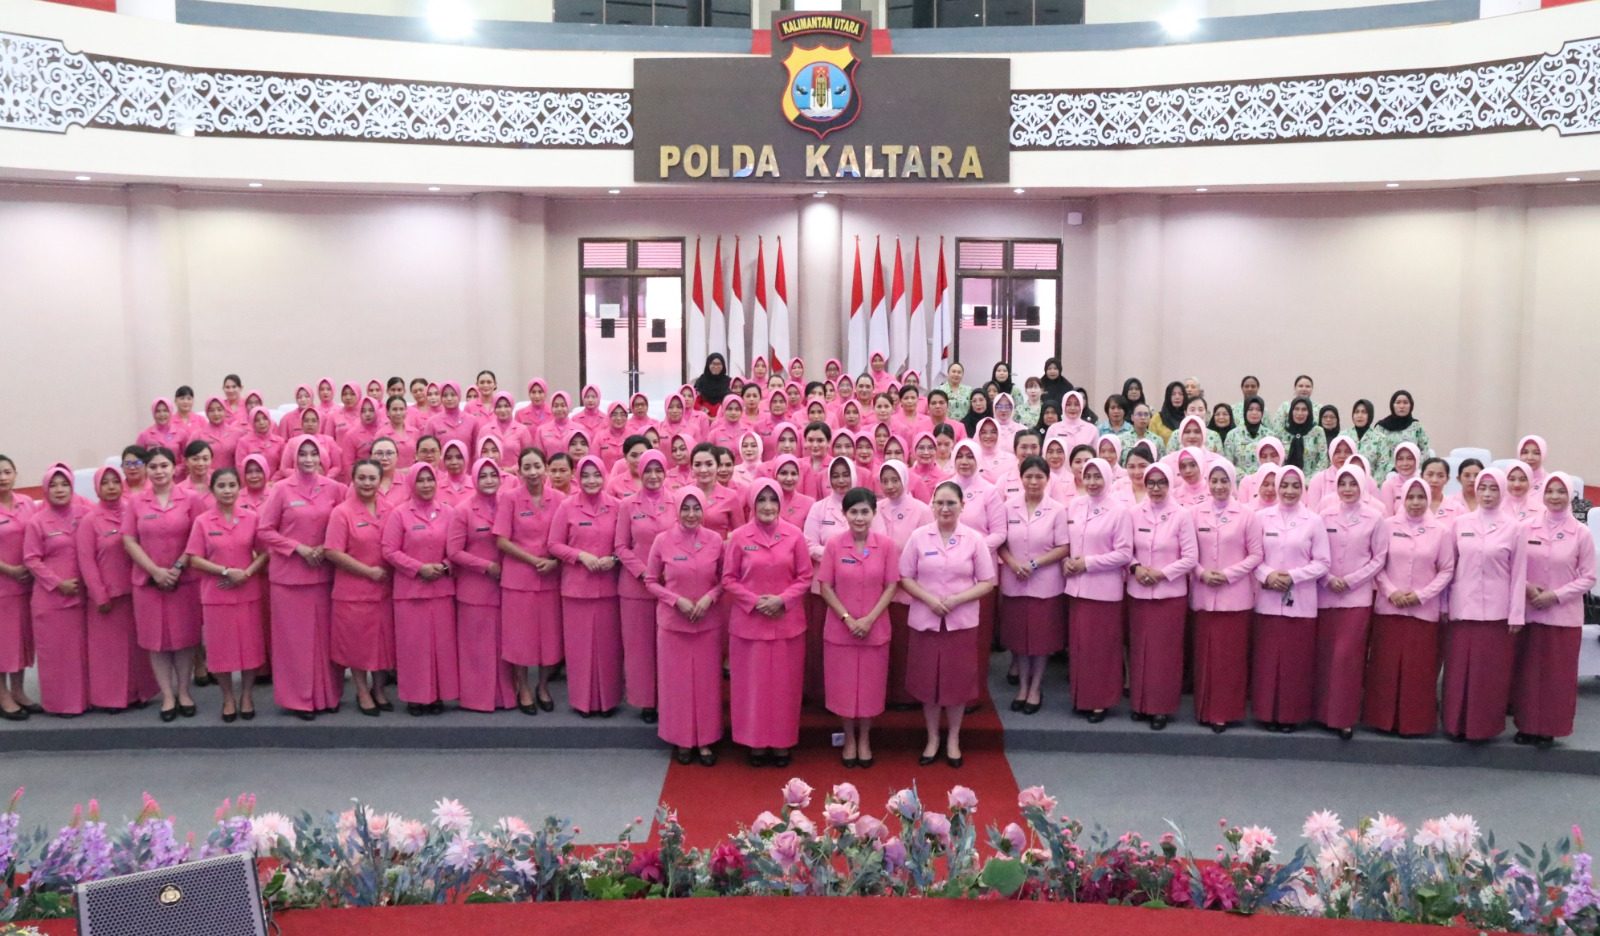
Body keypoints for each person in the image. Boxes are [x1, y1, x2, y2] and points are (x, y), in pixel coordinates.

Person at [898, 480, 998, 768]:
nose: (945, 508)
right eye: (939, 502)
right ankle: (932, 738)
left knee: (956, 684)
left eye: (951, 503)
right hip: (926, 620)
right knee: (928, 682)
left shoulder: (974, 539)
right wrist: (929, 599)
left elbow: (987, 582)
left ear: (962, 506)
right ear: (931, 505)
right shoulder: (919, 537)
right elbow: (905, 577)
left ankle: (953, 739)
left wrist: (956, 600)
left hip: (960, 622)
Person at [723, 480, 813, 767]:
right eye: (761, 500)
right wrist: (754, 601)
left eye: (772, 500)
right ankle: (755, 743)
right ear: (752, 504)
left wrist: (782, 600)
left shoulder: (795, 535)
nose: (767, 506)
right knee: (752, 687)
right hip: (749, 624)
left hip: (787, 622)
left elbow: (805, 577)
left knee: (784, 687)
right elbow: (728, 579)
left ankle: (782, 742)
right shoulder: (738, 537)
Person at [257, 437, 346, 720]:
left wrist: (327, 546)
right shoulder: (281, 490)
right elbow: (265, 530)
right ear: (293, 457)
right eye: (302, 454)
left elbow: (344, 523)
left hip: (324, 575)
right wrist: (298, 548)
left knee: (324, 639)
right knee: (295, 642)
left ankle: (328, 696)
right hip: (289, 579)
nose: (308, 459)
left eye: (313, 454)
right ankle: (298, 700)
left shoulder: (336, 489)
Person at [1363, 477, 1454, 737]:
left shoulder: (1441, 531)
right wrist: (1391, 592)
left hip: (1423, 612)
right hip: (1389, 609)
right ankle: (1382, 720)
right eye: (1410, 497)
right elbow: (1377, 562)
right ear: (1401, 499)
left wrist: (1422, 595)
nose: (1415, 503)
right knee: (1385, 666)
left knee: (1418, 669)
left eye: (1420, 497)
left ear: (1428, 499)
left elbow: (1446, 569)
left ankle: (1414, 723)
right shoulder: (1387, 526)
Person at [1442, 468, 1527, 743]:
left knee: (1487, 674)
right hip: (1462, 608)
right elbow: (1449, 568)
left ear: (1502, 492)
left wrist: (1516, 614)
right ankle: (1456, 725)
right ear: (1475, 490)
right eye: (1483, 488)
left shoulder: (1515, 528)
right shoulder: (1460, 523)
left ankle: (1483, 727)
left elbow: (1519, 575)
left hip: (1496, 613)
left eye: (1493, 489)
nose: (1488, 495)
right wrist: (1445, 605)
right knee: (1458, 671)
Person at [1512, 473, 1595, 748]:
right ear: (1543, 495)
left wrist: (1555, 596)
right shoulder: (1526, 528)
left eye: (1561, 492)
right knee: (1528, 672)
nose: (1555, 497)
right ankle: (1526, 725)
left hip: (1563, 616)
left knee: (1556, 676)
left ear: (1570, 495)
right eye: (1550, 491)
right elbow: (1512, 567)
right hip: (1530, 611)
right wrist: (1527, 588)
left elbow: (1588, 577)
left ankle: (1549, 727)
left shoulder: (1581, 533)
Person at [817, 487, 899, 768]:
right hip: (841, 630)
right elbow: (825, 586)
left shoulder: (886, 545)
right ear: (845, 514)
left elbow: (891, 586)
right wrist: (848, 619)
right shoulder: (834, 545)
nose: (860, 517)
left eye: (865, 511)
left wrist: (869, 619)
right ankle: (849, 738)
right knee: (844, 689)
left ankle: (865, 739)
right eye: (854, 511)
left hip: (875, 629)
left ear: (874, 513)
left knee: (869, 690)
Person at [121, 446, 202, 721]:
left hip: (185, 581)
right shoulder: (135, 502)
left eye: (164, 466)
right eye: (153, 467)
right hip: (148, 582)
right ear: (147, 469)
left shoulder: (191, 499)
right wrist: (155, 571)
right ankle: (167, 695)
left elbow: (198, 537)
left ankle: (184, 692)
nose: (159, 471)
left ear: (174, 467)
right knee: (156, 641)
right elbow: (129, 539)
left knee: (184, 639)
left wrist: (178, 567)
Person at [645, 487, 725, 766]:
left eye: (696, 509)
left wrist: (709, 597)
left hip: (707, 622)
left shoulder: (716, 540)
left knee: (705, 684)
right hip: (673, 624)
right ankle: (681, 739)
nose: (691, 515)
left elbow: (725, 579)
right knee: (676, 685)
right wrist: (675, 600)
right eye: (685, 509)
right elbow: (651, 580)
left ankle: (705, 739)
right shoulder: (662, 540)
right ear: (677, 511)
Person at [183, 468, 268, 722]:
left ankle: (247, 695)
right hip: (216, 594)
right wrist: (225, 571)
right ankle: (228, 697)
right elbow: (193, 558)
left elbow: (264, 552)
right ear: (213, 490)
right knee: (222, 651)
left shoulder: (252, 518)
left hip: (248, 591)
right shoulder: (203, 521)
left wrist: (247, 572)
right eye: (222, 486)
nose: (228, 490)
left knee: (250, 648)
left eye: (232, 485)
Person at [1251, 466, 1330, 733]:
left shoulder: (1313, 520)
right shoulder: (1260, 518)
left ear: (1303, 489)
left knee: (1295, 663)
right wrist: (1268, 575)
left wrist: (1292, 576)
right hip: (1268, 599)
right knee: (1268, 660)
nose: (1289, 491)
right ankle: (1266, 712)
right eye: (1284, 485)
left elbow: (1322, 563)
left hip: (1301, 601)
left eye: (1295, 486)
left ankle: (1290, 715)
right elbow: (1254, 557)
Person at [76, 465, 157, 712]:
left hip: (136, 590)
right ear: (97, 487)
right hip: (107, 598)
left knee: (137, 648)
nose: (111, 487)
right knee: (109, 652)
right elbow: (86, 561)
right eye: (105, 482)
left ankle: (139, 692)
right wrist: (98, 593)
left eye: (114, 481)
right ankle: (111, 698)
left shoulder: (132, 510)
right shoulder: (90, 520)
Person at [1314, 466, 1387, 740]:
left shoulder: (1375, 518)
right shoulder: (1324, 516)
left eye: (1352, 484)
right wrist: (1328, 579)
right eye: (1342, 483)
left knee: (1347, 657)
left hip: (1356, 597)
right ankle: (1321, 713)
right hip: (1326, 593)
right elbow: (1316, 552)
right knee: (1326, 656)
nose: (1346, 488)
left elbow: (1379, 557)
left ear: (1362, 487)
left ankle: (1343, 717)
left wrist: (1352, 580)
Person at [548, 455, 623, 717]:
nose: (591, 480)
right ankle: (582, 702)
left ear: (604, 476)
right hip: (576, 588)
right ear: (577, 478)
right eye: (586, 475)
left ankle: (608, 701)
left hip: (608, 587)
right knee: (579, 648)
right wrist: (580, 556)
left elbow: (625, 545)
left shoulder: (616, 506)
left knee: (608, 647)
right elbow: (554, 545)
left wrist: (613, 559)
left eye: (597, 475)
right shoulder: (567, 507)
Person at [1189, 461, 1262, 732]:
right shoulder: (1195, 514)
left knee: (1229, 658)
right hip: (1205, 593)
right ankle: (1203, 708)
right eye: (1214, 481)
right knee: (1205, 655)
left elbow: (1256, 555)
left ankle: (1225, 711)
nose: (1219, 487)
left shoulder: (1247, 515)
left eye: (1224, 481)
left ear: (1232, 483)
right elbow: (1188, 552)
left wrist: (1229, 574)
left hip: (1235, 597)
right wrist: (1201, 572)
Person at [1125, 463, 1197, 730]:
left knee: (1164, 653)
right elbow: (1125, 549)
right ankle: (1140, 703)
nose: (1155, 488)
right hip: (1139, 591)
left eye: (1161, 483)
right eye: (1151, 483)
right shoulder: (1133, 513)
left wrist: (1162, 574)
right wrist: (1137, 568)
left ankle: (1161, 707)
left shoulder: (1181, 515)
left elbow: (1190, 558)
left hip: (1170, 595)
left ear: (1169, 484)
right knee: (1140, 649)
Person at [382, 462, 457, 716]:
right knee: (414, 646)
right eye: (421, 480)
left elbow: (457, 548)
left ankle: (437, 695)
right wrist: (418, 568)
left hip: (442, 589)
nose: (426, 485)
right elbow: (389, 551)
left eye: (430, 480)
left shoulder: (448, 512)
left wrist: (444, 566)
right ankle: (416, 697)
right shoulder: (399, 513)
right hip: (411, 591)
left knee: (441, 645)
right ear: (412, 483)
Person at [996, 456, 1070, 715]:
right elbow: (1001, 543)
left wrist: (1035, 564)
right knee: (1019, 639)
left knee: (1040, 640)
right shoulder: (1008, 507)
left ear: (1047, 479)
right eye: (1029, 476)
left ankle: (1035, 687)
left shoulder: (1057, 510)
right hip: (1015, 581)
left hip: (1045, 583)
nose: (1034, 481)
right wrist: (1013, 563)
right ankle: (1022, 686)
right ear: (1021, 478)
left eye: (1039, 476)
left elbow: (1064, 547)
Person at [1063, 458, 1133, 723]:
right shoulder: (1075, 505)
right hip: (1077, 590)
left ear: (1107, 478)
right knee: (1080, 647)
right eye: (1088, 476)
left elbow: (1124, 553)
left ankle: (1100, 701)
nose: (1092, 482)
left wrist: (1087, 564)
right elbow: (1067, 543)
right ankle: (1081, 697)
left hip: (1104, 591)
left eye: (1097, 476)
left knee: (1101, 649)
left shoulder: (1119, 510)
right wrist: (1068, 562)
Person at [495, 446, 565, 713]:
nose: (533, 472)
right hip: (519, 578)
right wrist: (533, 560)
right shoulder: (510, 499)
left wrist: (555, 561)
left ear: (546, 469)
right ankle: (523, 686)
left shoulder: (559, 499)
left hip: (550, 577)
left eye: (538, 466)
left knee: (549, 638)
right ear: (520, 471)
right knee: (520, 638)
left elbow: (566, 538)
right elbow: (501, 540)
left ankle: (543, 685)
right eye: (528, 467)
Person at [324, 459, 395, 717]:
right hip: (353, 591)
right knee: (357, 646)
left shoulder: (390, 509)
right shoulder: (342, 513)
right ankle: (362, 691)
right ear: (353, 480)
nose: (367, 483)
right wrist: (368, 572)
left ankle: (379, 689)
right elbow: (332, 551)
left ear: (380, 480)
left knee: (382, 644)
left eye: (372, 478)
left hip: (384, 591)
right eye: (362, 478)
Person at [448, 458, 516, 714]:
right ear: (474, 479)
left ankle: (505, 695)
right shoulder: (463, 510)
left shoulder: (507, 505)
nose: (489, 480)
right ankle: (476, 697)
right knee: (476, 647)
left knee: (502, 644)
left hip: (505, 586)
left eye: (493, 475)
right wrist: (486, 566)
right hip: (474, 588)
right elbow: (454, 551)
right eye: (483, 475)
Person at [23, 466, 88, 716]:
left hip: (80, 596)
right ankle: (59, 704)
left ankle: (81, 701)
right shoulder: (37, 521)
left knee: (77, 653)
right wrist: (57, 583)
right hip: (50, 598)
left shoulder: (84, 514)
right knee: (55, 655)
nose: (59, 490)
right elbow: (31, 559)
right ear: (46, 489)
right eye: (54, 485)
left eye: (64, 484)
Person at [614, 451, 672, 724]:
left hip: (669, 585)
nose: (652, 475)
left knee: (668, 645)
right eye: (647, 470)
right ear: (639, 472)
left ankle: (668, 696)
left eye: (658, 470)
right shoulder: (628, 504)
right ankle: (646, 700)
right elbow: (621, 546)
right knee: (640, 647)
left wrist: (665, 574)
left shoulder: (677, 501)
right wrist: (643, 572)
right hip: (635, 587)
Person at [1359, 390, 1431, 479]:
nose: (1402, 406)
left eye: (1405, 403)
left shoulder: (1416, 427)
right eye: (1398, 402)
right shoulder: (1381, 427)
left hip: (1412, 472)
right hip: (1386, 473)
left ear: (1411, 405)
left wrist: (1413, 466)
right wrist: (1391, 468)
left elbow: (1425, 450)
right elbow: (1374, 452)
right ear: (1392, 405)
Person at [1281, 398, 1328, 474]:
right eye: (1296, 409)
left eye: (1304, 410)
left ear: (1309, 412)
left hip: (1312, 482)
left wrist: (1310, 481)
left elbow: (1323, 460)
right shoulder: (1283, 432)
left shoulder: (1317, 432)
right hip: (1286, 480)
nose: (1300, 413)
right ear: (1291, 411)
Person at [1225, 396, 1269, 472]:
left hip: (1265, 481)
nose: (1254, 413)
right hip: (1240, 481)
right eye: (1250, 409)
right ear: (1245, 411)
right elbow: (1228, 464)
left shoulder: (1269, 435)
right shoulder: (1233, 435)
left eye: (1258, 410)